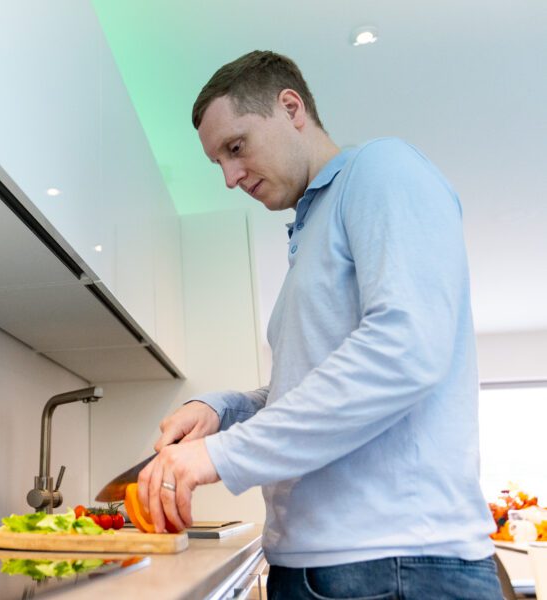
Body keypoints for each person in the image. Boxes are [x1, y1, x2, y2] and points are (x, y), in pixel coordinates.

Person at [137, 50, 502, 599]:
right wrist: (224, 409)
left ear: (291, 107)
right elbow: (318, 382)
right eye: (219, 164)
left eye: (235, 148)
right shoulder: (310, 231)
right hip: (325, 567)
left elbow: (403, 352)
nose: (231, 177)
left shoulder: (381, 169)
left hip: (394, 565)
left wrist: (220, 456)